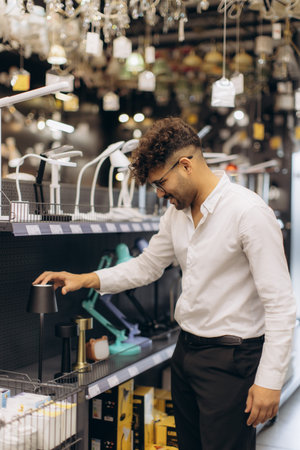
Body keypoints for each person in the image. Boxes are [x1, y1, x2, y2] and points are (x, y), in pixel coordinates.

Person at [34, 117, 297, 450]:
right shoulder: (177, 215)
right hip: (187, 351)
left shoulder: (248, 213)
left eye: (161, 183)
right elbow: (147, 266)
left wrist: (270, 381)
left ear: (185, 165)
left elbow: (280, 304)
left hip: (232, 360)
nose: (160, 194)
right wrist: (86, 278)